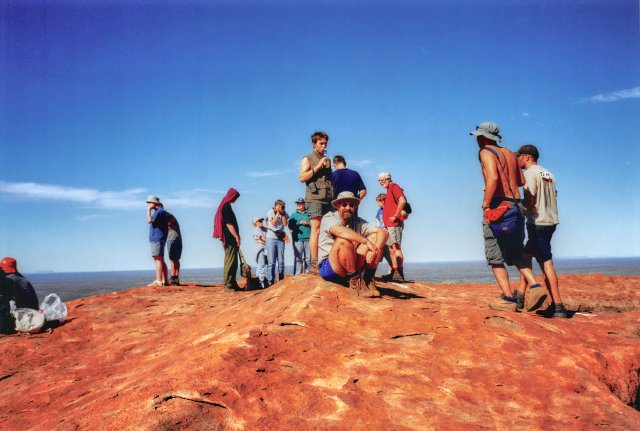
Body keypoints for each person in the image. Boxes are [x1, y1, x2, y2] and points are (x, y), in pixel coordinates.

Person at [470, 122, 549, 312]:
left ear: (483, 137)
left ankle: (507, 298)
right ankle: (535, 286)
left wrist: (486, 204)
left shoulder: (485, 152)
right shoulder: (510, 154)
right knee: (515, 252)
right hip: (516, 205)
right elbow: (521, 181)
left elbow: (493, 178)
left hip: (498, 206)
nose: (477, 140)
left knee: (495, 256)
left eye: (478, 136)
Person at [516, 144, 567, 318]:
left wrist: (519, 207)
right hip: (551, 221)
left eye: (519, 157)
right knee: (526, 256)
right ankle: (521, 297)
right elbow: (554, 194)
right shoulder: (548, 174)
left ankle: (558, 306)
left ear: (526, 157)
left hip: (537, 221)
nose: (517, 160)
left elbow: (530, 199)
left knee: (546, 262)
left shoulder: (529, 174)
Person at [317, 191, 389, 297]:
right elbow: (341, 231)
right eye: (344, 205)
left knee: (375, 237)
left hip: (350, 266)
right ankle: (356, 283)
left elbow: (384, 232)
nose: (348, 208)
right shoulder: (329, 218)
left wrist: (374, 250)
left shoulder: (357, 221)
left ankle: (368, 279)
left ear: (355, 207)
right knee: (344, 240)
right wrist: (366, 242)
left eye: (351, 205)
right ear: (337, 206)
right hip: (331, 268)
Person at [299, 131, 334, 273]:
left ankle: (326, 260)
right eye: (321, 143)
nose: (324, 146)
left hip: (328, 199)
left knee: (329, 230)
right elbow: (302, 177)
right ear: (314, 144)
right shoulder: (307, 158)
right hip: (314, 199)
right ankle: (314, 263)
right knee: (317, 229)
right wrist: (318, 166)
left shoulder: (327, 159)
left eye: (325, 143)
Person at [378, 171, 407, 282]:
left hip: (394, 224)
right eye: (379, 180)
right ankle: (394, 272)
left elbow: (402, 200)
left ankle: (399, 273)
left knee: (395, 248)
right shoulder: (389, 189)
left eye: (382, 180)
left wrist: (396, 215)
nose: (381, 182)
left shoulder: (394, 186)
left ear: (388, 178)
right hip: (389, 224)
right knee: (391, 249)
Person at [213, 188, 242, 291]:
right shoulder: (225, 207)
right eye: (235, 197)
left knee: (234, 261)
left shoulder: (226, 206)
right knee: (230, 260)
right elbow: (229, 224)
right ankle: (228, 284)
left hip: (230, 238)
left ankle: (233, 283)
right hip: (229, 238)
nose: (235, 200)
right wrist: (236, 236)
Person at [146, 195, 169, 287]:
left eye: (149, 203)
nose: (148, 205)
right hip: (160, 238)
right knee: (161, 259)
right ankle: (165, 280)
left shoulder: (159, 212)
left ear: (154, 203)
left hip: (157, 238)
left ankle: (158, 281)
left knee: (157, 259)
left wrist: (148, 210)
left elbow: (149, 220)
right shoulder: (161, 211)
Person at [265, 200, 289, 285]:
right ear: (276, 206)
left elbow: (285, 224)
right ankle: (271, 281)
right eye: (279, 206)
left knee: (281, 261)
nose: (281, 208)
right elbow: (274, 223)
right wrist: (277, 213)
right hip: (271, 238)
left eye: (282, 206)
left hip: (280, 239)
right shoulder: (271, 212)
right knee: (271, 261)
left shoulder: (284, 213)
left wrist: (282, 214)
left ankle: (281, 280)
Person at [288, 198, 311, 275]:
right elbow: (290, 225)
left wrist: (307, 223)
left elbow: (314, 224)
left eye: (300, 203)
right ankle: (298, 275)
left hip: (308, 238)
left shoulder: (309, 214)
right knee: (298, 258)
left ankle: (308, 274)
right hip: (298, 239)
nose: (299, 205)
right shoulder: (293, 215)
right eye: (297, 203)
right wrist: (299, 222)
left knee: (308, 258)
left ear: (304, 204)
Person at [374, 193, 393, 275]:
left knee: (390, 255)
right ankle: (372, 272)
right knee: (379, 252)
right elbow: (377, 221)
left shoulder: (390, 209)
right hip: (382, 233)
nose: (379, 204)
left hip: (389, 233)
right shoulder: (379, 211)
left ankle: (391, 272)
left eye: (379, 202)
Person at [164, 208, 182, 286]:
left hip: (172, 238)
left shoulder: (167, 216)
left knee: (172, 259)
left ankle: (173, 277)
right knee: (176, 259)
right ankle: (176, 277)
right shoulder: (170, 216)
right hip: (177, 237)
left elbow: (169, 224)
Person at [252, 217, 269, 289]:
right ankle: (261, 282)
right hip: (260, 249)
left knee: (261, 265)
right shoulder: (256, 230)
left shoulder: (264, 229)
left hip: (265, 249)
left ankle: (258, 281)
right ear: (255, 223)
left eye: (261, 220)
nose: (261, 222)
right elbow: (263, 239)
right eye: (259, 221)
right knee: (261, 265)